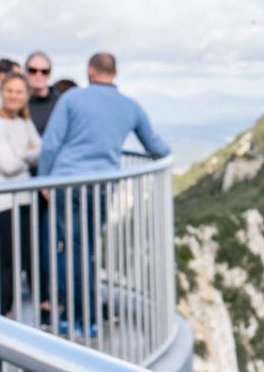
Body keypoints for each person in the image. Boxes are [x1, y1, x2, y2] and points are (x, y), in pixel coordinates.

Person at [37, 53, 168, 330]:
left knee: (68, 250)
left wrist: (43, 180)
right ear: (115, 72)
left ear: (90, 72)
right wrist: (169, 159)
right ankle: (85, 317)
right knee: (86, 250)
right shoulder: (130, 107)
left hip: (65, 183)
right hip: (100, 187)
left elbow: (50, 144)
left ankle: (73, 315)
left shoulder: (72, 99)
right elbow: (155, 146)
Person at [0, 72, 40, 318]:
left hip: (21, 199)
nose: (14, 96)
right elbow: (8, 164)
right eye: (9, 90)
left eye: (19, 91)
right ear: (2, 93)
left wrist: (18, 154)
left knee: (18, 258)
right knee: (4, 260)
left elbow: (41, 149)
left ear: (26, 96)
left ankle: (7, 311)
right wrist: (26, 154)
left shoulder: (24, 122)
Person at [23, 52, 62, 133]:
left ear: (49, 74)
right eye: (33, 70)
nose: (38, 74)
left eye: (44, 71)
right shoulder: (17, 101)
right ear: (25, 72)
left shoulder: (61, 102)